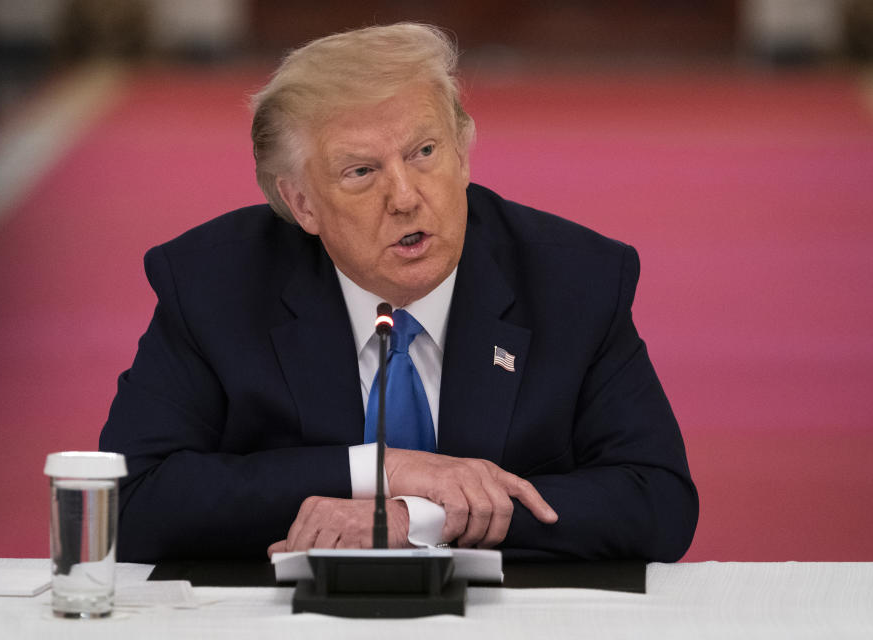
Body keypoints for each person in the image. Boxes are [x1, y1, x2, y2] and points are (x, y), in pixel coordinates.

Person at [99, 23, 698, 563]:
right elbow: (127, 499)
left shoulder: (572, 279)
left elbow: (657, 499)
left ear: (463, 152)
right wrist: (380, 472)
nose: (406, 196)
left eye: (425, 153)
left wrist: (422, 519)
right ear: (302, 203)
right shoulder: (215, 284)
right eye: (361, 172)